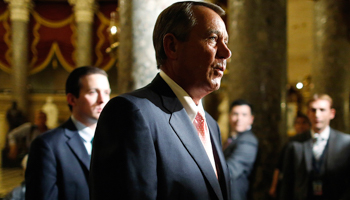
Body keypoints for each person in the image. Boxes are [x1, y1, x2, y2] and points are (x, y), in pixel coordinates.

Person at [90, 1, 231, 200]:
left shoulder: (211, 125)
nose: (226, 52)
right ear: (172, 46)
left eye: (226, 42)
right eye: (213, 39)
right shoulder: (131, 113)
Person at [25, 66, 111, 200]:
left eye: (106, 92)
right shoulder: (47, 145)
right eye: (93, 92)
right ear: (72, 99)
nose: (102, 100)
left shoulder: (116, 139)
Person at [278, 94, 350, 200]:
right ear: (308, 113)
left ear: (332, 113)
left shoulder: (345, 142)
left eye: (322, 110)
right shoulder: (295, 142)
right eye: (313, 110)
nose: (317, 115)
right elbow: (287, 181)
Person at [268, 112, 311, 198]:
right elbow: (279, 167)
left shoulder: (311, 142)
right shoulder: (290, 143)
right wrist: (274, 186)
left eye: (304, 123)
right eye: (298, 123)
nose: (301, 126)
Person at [223, 99, 258, 200]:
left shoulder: (248, 141)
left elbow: (231, 170)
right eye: (235, 114)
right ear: (229, 117)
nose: (239, 119)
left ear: (251, 119)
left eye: (244, 115)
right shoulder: (234, 137)